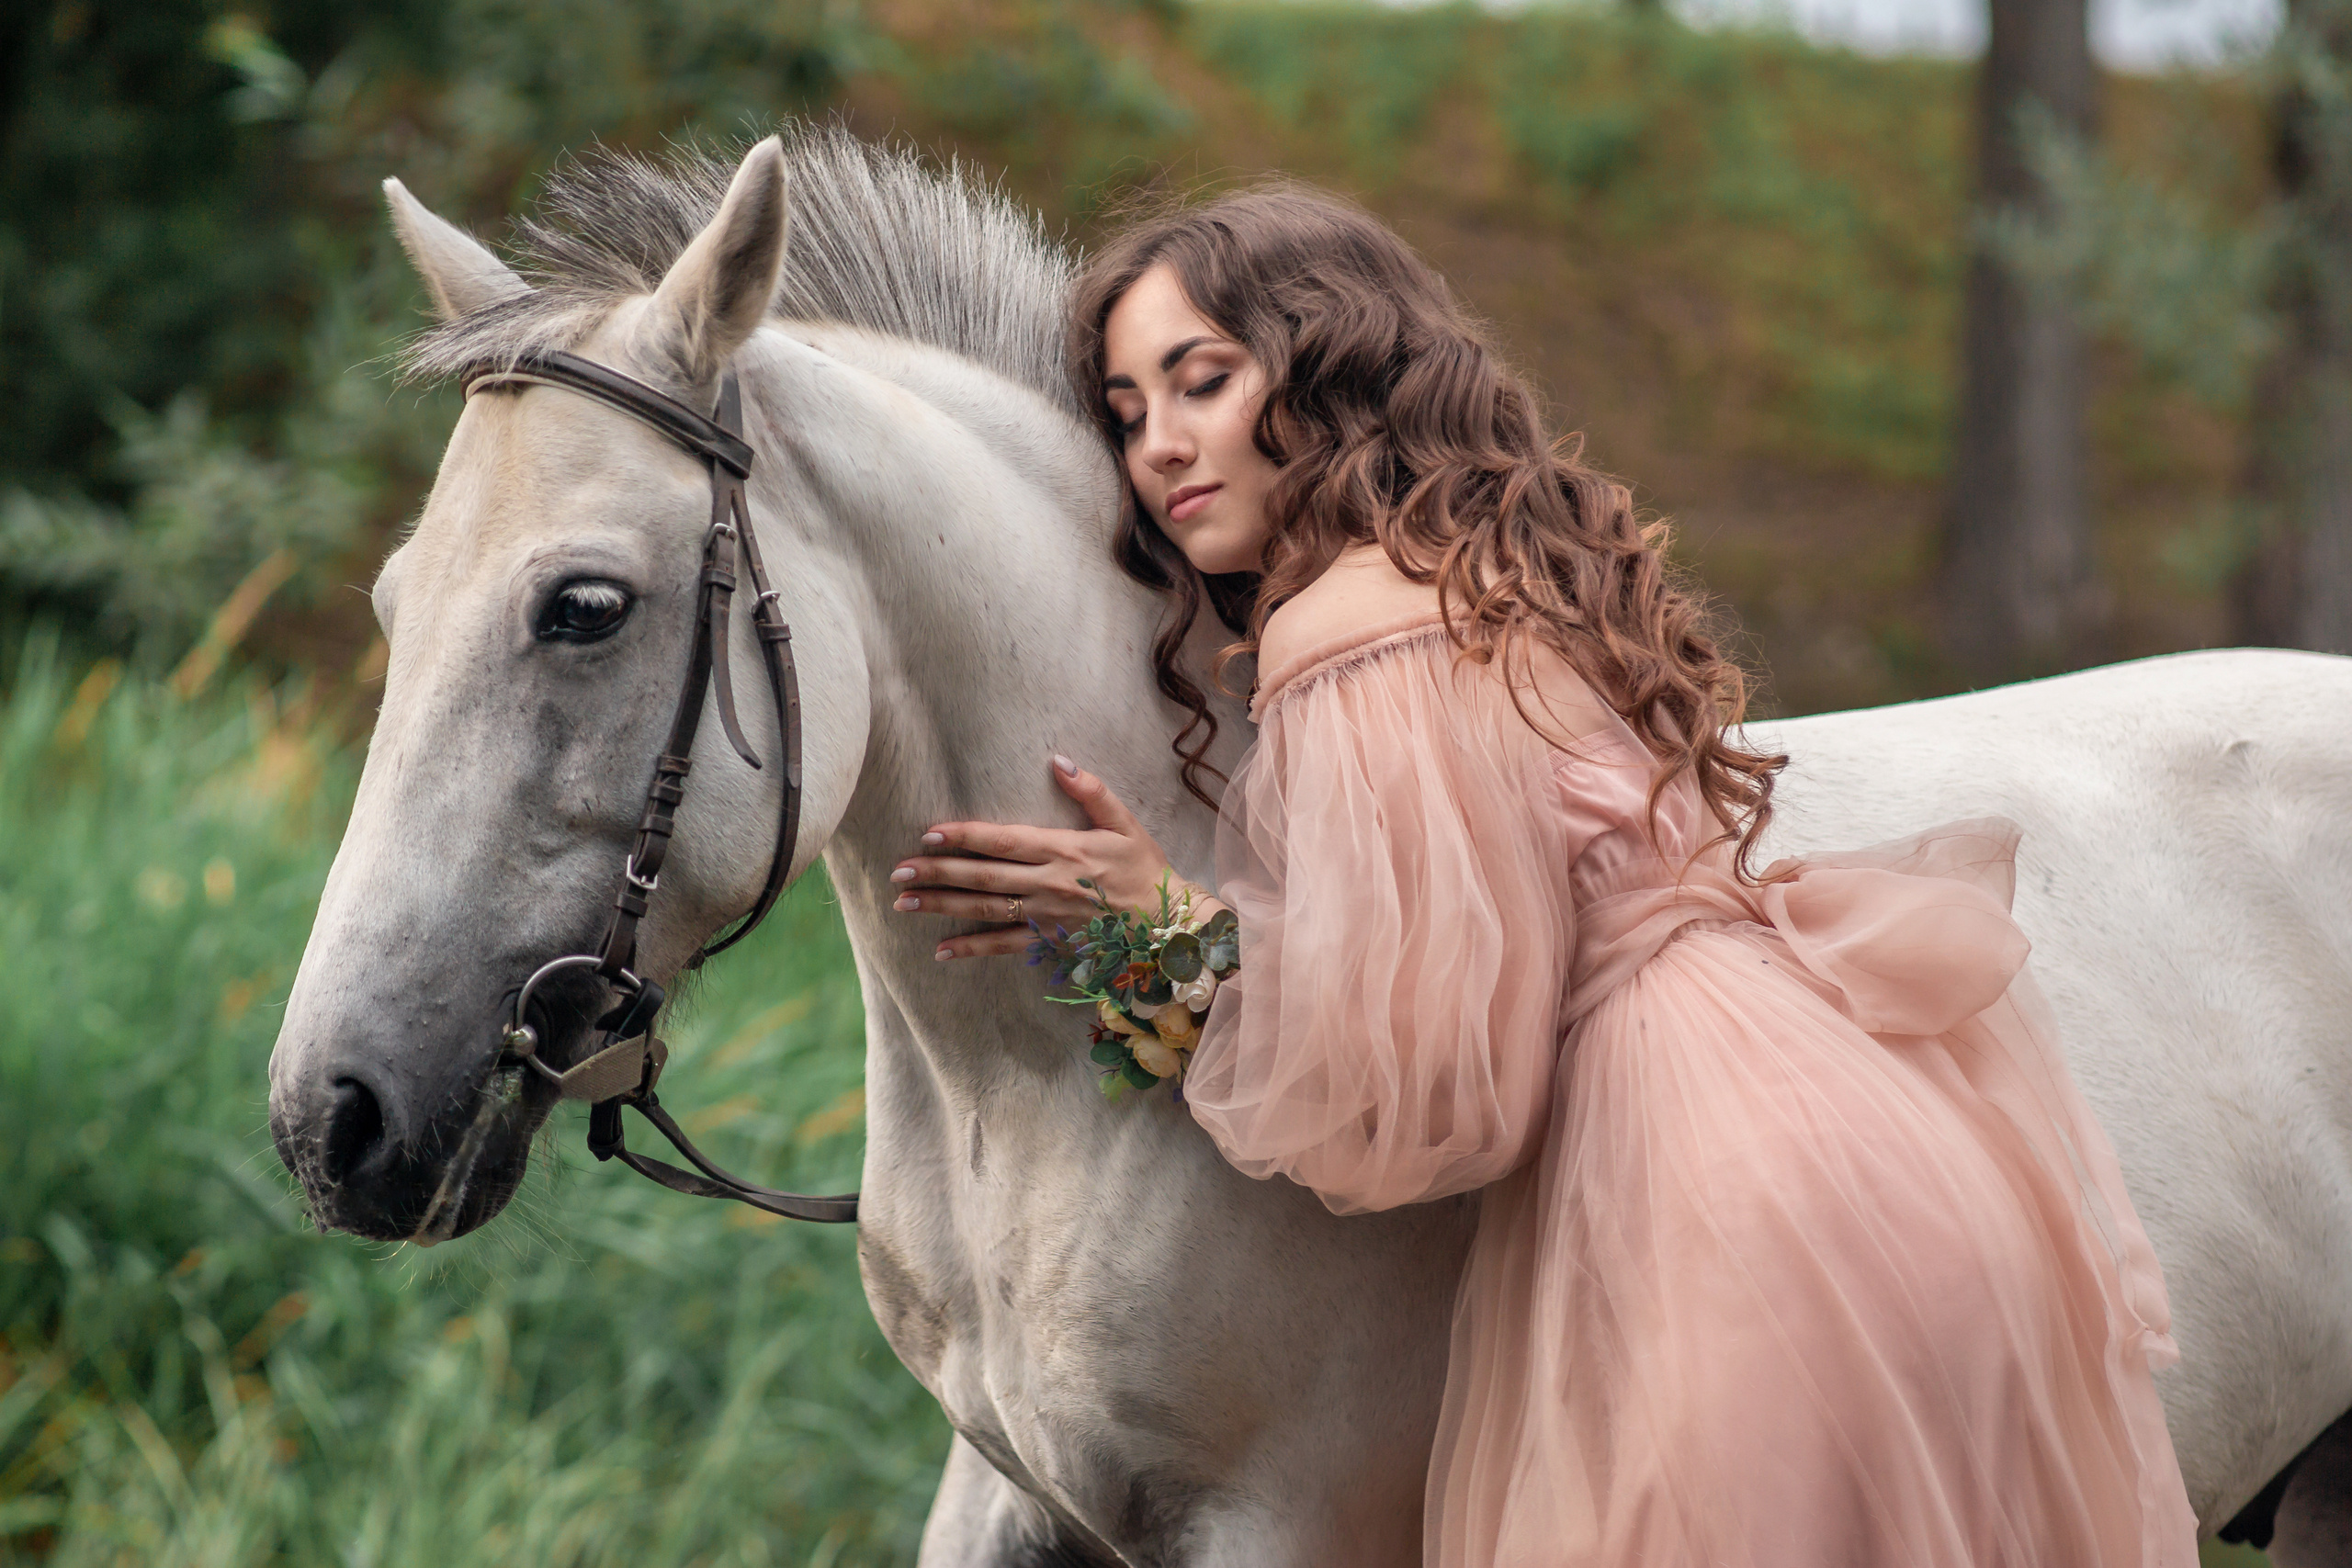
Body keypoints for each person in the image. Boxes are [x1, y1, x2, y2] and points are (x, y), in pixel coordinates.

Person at [882, 183, 2199, 1565]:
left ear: (1326, 368)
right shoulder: (1479, 568)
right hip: (1853, 1117)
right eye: (1128, 407)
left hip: (1707, 1184)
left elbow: (1433, 1090)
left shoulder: (1348, 632)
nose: (1160, 444)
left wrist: (1149, 928)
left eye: (1201, 381)